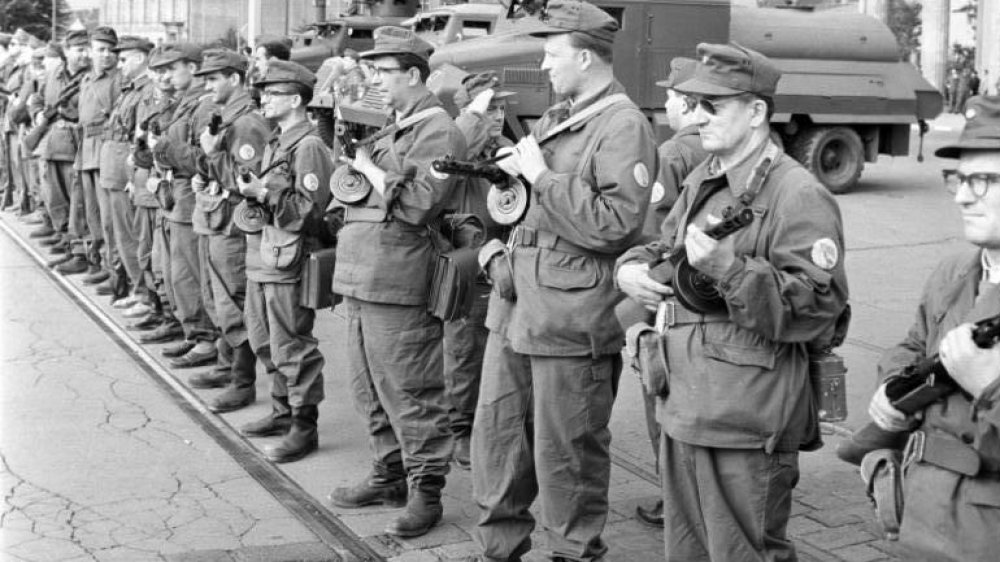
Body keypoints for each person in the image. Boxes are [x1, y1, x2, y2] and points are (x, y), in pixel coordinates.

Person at [616, 43, 848, 561]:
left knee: (743, 553)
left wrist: (730, 270)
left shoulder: (796, 193)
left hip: (744, 414)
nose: (698, 118)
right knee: (689, 550)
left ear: (758, 111)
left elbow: (818, 309)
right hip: (685, 399)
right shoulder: (708, 177)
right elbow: (663, 245)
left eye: (713, 106)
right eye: (695, 105)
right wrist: (628, 269)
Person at [469, 2, 657, 559]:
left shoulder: (623, 125)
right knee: (499, 438)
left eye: (552, 56)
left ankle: (573, 552)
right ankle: (500, 548)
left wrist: (542, 179)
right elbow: (531, 205)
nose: (545, 68)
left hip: (573, 315)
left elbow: (617, 224)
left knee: (567, 452)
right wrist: (506, 186)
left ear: (583, 56)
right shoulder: (558, 116)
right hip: (518, 304)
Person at [327, 26, 465, 538]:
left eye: (384, 71)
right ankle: (388, 473)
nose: (375, 80)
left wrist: (369, 168)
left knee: (411, 389)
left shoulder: (438, 130)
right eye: (372, 70)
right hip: (365, 274)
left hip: (400, 277)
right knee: (368, 387)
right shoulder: (395, 124)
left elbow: (421, 203)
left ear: (413, 74)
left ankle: (425, 490)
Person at [861, 95, 1000, 560]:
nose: (962, 195)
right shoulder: (955, 270)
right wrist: (893, 386)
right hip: (923, 516)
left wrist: (990, 386)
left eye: (983, 180)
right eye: (959, 179)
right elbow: (913, 343)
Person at [235, 59, 333, 463]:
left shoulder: (308, 145)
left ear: (295, 99)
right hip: (265, 254)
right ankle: (280, 410)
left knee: (291, 343)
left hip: (289, 259)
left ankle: (303, 426)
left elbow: (314, 212)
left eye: (273, 93)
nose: (264, 99)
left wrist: (263, 194)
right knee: (262, 338)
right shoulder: (279, 140)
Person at [630, 55, 708, 528]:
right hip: (706, 290)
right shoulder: (724, 149)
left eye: (672, 97)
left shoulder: (676, 152)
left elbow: (654, 226)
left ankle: (676, 498)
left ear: (688, 102)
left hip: (672, 289)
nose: (666, 105)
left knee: (661, 394)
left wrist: (640, 275)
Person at [189, 48, 274, 415]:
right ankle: (227, 366)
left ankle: (243, 382)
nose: (208, 87)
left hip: (233, 221)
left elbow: (246, 181)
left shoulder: (246, 122)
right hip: (217, 216)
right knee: (219, 298)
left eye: (213, 79)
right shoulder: (228, 116)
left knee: (234, 300)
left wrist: (211, 158)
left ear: (235, 79)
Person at [444, 72, 516, 470]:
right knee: (463, 351)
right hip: (467, 263)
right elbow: (456, 147)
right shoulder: (460, 145)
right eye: (490, 109)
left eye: (503, 108)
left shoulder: (507, 148)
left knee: (497, 350)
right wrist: (473, 117)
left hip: (503, 259)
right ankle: (459, 429)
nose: (499, 116)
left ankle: (494, 427)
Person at [144, 43, 218, 370]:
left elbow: (206, 160)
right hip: (174, 194)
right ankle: (192, 331)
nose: (165, 76)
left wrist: (163, 148)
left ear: (192, 66)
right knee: (175, 272)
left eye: (172, 69)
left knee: (189, 273)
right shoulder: (182, 103)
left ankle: (205, 339)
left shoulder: (203, 105)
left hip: (190, 196)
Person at [99, 35, 155, 307]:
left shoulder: (147, 90)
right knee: (117, 232)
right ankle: (135, 288)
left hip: (124, 168)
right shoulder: (131, 89)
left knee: (130, 234)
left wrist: (133, 176)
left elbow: (140, 137)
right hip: (113, 165)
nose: (119, 65)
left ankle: (143, 293)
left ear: (140, 57)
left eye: (123, 59)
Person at [75, 26, 121, 286]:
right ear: (91, 52)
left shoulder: (118, 80)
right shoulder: (87, 79)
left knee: (108, 217)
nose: (106, 55)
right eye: (100, 50)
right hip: (86, 147)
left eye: (110, 50)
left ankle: (116, 272)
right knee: (91, 212)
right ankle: (100, 261)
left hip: (105, 146)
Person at [42, 31, 90, 273]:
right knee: (56, 198)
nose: (84, 54)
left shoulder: (90, 77)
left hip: (77, 146)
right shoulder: (54, 74)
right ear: (67, 50)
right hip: (53, 144)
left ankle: (81, 252)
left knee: (78, 204)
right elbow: (41, 100)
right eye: (78, 49)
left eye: (86, 49)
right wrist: (39, 114)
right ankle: (66, 241)